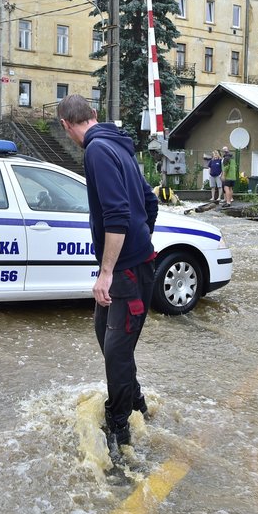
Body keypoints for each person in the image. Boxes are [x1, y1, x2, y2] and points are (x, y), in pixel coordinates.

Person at [57, 94, 158, 458]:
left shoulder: (97, 151)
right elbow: (150, 203)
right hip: (134, 264)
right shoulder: (118, 146)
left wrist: (107, 272)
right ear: (94, 114)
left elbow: (117, 215)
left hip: (128, 271)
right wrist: (141, 240)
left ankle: (120, 431)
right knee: (107, 337)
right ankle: (137, 402)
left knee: (116, 350)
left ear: (67, 126)